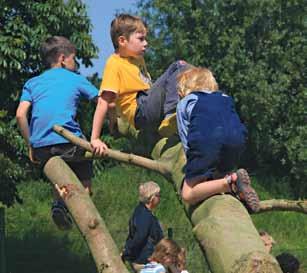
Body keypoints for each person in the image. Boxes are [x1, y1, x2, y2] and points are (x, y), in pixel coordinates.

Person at [16, 36, 101, 230]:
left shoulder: (33, 82)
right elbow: (102, 101)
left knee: (57, 172)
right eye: (73, 58)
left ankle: (58, 204)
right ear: (63, 58)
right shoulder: (75, 79)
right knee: (85, 179)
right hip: (69, 142)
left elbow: (21, 115)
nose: (75, 63)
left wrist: (30, 143)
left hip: (41, 147)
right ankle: (83, 211)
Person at [91, 13, 190, 156]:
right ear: (122, 41)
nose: (146, 43)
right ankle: (172, 114)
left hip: (148, 107)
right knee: (178, 66)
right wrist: (95, 138)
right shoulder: (114, 63)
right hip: (140, 111)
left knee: (189, 71)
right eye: (141, 39)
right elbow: (103, 101)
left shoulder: (138, 59)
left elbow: (150, 87)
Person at [176, 67, 260, 212]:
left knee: (188, 194)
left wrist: (193, 166)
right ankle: (234, 184)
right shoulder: (225, 98)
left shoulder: (186, 102)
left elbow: (187, 139)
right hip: (237, 140)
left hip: (207, 141)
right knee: (217, 172)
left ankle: (229, 183)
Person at [122, 181, 164, 272]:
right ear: (152, 198)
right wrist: (127, 253)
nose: (160, 198)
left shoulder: (140, 210)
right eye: (158, 195)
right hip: (145, 261)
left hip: (144, 259)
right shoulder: (145, 216)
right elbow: (140, 237)